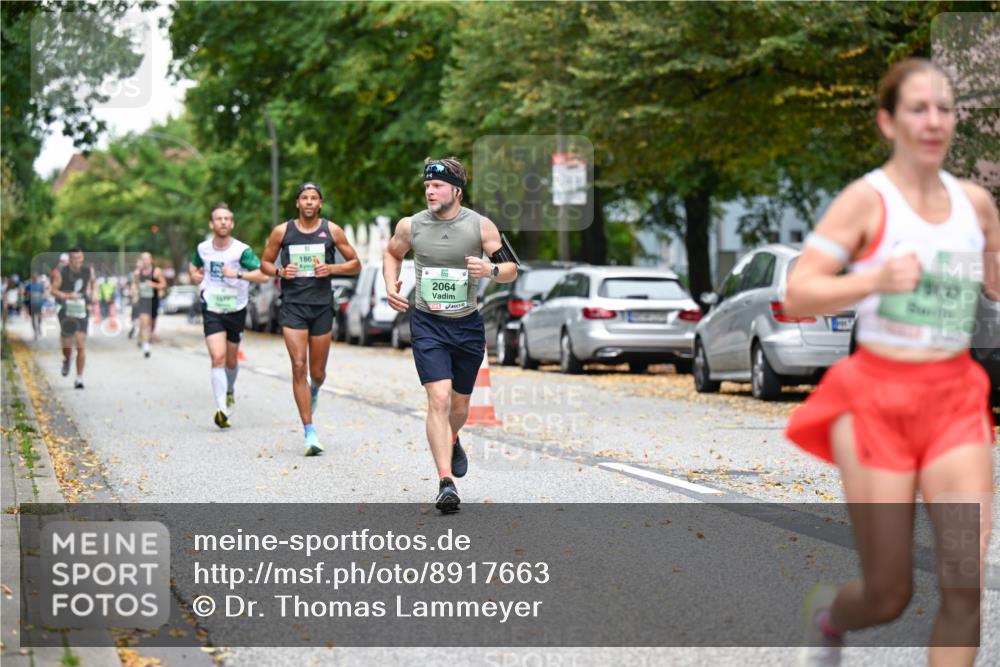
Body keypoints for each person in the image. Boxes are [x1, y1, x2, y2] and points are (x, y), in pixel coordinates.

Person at [783, 59, 999, 667]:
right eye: (918, 109)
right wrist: (874, 278)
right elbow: (799, 293)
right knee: (888, 593)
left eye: (944, 109)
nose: (934, 121)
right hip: (876, 401)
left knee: (964, 586)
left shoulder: (976, 205)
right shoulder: (867, 201)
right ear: (888, 122)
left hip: (955, 400)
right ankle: (830, 618)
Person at [384, 157, 518, 512]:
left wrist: (489, 269)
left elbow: (511, 269)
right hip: (427, 323)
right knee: (439, 399)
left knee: (459, 406)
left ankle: (453, 436)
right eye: (427, 185)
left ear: (456, 190)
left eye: (438, 186)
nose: (430, 191)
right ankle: (446, 482)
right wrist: (390, 284)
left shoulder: (480, 226)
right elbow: (391, 253)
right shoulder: (411, 225)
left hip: (467, 325)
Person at [260, 182, 361, 455]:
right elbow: (264, 263)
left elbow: (355, 264)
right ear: (297, 203)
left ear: (320, 203)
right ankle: (309, 432)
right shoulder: (282, 231)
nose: (308, 202)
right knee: (298, 365)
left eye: (313, 198)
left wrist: (331, 268)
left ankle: (314, 390)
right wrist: (280, 272)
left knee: (317, 373)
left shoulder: (332, 230)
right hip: (293, 306)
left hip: (321, 307)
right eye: (304, 198)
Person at [189, 202, 268, 428]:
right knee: (218, 357)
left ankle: (230, 390)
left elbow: (263, 275)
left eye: (227, 219)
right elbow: (193, 266)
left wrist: (238, 274)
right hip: (212, 307)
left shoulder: (241, 251)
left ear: (232, 224)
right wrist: (194, 275)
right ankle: (221, 408)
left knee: (231, 360)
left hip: (236, 308)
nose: (223, 222)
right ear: (211, 224)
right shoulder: (203, 248)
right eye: (219, 219)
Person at [50, 247, 97, 389]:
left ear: (83, 258)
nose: (77, 261)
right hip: (66, 311)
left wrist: (94, 294)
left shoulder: (88, 271)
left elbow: (94, 283)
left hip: (82, 310)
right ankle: (66, 359)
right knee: (67, 346)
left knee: (80, 344)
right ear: (70, 259)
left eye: (80, 258)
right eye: (74, 258)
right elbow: (53, 290)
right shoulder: (62, 272)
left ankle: (79, 378)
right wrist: (66, 296)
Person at [133, 253, 167, 358]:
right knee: (144, 323)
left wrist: (153, 285)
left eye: (147, 259)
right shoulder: (138, 273)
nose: (145, 261)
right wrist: (135, 293)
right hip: (143, 300)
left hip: (153, 300)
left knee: (152, 324)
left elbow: (164, 284)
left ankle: (147, 336)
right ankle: (146, 347)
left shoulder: (156, 271)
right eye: (143, 259)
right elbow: (135, 285)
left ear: (151, 260)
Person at [25, 273, 46, 339]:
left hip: (39, 304)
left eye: (35, 277)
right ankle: (35, 332)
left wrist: (43, 300)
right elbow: (26, 295)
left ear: (37, 278)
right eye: (33, 277)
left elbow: (43, 293)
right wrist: (26, 303)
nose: (34, 278)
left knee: (39, 317)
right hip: (32, 304)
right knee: (33, 318)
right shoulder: (29, 286)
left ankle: (39, 326)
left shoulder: (40, 285)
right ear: (32, 278)